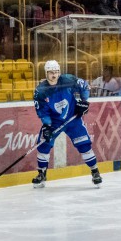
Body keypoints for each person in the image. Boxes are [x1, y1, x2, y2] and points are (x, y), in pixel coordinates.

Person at [32, 60, 101, 188]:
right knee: (43, 144)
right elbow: (42, 111)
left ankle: (95, 171)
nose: (54, 75)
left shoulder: (67, 80)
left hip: (72, 118)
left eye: (56, 72)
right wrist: (47, 126)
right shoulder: (41, 91)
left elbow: (84, 86)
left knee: (84, 144)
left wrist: (84, 101)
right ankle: (41, 174)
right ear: (46, 73)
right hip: (54, 122)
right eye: (51, 72)